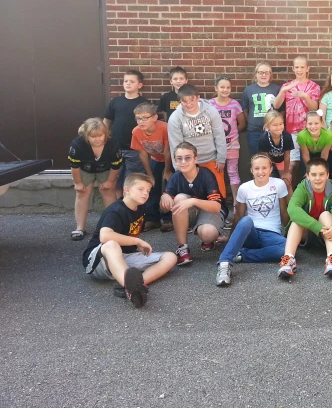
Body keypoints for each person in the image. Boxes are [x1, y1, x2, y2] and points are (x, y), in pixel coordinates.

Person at [82, 173, 177, 308]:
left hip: (123, 259)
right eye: (140, 189)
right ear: (126, 190)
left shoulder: (141, 207)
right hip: (100, 261)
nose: (145, 194)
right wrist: (137, 242)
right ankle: (130, 286)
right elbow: (105, 236)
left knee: (170, 257)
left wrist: (135, 244)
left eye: (148, 191)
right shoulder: (116, 210)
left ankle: (135, 286)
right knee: (111, 244)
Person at [215, 154, 289, 287]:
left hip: (272, 234)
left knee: (287, 249)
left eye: (264, 168)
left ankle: (242, 255)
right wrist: (230, 238)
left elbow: (284, 213)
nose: (261, 172)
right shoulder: (244, 188)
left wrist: (291, 235)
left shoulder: (279, 184)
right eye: (257, 168)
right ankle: (225, 263)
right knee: (246, 220)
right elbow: (238, 217)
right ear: (251, 170)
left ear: (271, 169)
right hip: (251, 233)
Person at [160, 142, 228, 265]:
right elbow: (165, 209)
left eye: (188, 158)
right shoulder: (176, 177)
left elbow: (217, 206)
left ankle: (208, 238)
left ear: (195, 159)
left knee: (208, 234)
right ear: (175, 161)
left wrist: (193, 200)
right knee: (179, 198)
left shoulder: (205, 174)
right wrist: (164, 199)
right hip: (192, 212)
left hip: (211, 210)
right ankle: (183, 247)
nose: (183, 162)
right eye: (179, 159)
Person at [278, 158, 332, 279]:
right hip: (305, 233)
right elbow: (292, 210)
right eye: (313, 175)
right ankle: (288, 259)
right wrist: (317, 227)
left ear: (327, 175)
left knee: (326, 214)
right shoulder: (302, 188)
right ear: (307, 176)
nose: (318, 178)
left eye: (321, 174)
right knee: (297, 220)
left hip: (326, 235)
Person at [167, 84, 228, 198]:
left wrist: (221, 158)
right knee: (194, 194)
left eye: (192, 100)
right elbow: (176, 145)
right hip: (189, 162)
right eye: (184, 101)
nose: (189, 104)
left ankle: (218, 214)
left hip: (212, 159)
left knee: (217, 194)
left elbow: (219, 135)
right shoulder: (175, 118)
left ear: (198, 97)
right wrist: (178, 166)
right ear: (179, 101)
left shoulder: (211, 111)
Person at [68, 118, 123, 240]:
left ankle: (112, 226)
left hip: (106, 169)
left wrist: (110, 181)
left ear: (105, 134)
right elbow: (74, 166)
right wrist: (78, 183)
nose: (97, 139)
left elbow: (116, 166)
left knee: (108, 192)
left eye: (100, 136)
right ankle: (80, 228)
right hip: (84, 169)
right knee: (82, 193)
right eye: (93, 137)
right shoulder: (77, 144)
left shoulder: (113, 144)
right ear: (86, 136)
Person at [272, 56, 321, 174]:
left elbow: (314, 108)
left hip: (309, 129)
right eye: (297, 67)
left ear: (307, 68)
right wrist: (283, 91)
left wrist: (305, 96)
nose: (299, 70)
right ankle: (291, 191)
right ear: (293, 69)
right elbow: (276, 105)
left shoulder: (314, 86)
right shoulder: (287, 86)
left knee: (308, 164)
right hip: (291, 129)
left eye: (302, 67)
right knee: (292, 165)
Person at [103, 69, 148, 196]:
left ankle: (130, 206)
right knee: (116, 180)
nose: (128, 83)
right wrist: (106, 140)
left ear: (139, 85)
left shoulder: (144, 103)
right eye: (126, 81)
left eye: (132, 81)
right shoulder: (115, 102)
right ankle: (119, 205)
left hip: (135, 149)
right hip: (116, 148)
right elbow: (107, 121)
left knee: (132, 181)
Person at [130, 102, 172, 232]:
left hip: (169, 160)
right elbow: (142, 154)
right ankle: (152, 219)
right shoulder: (136, 132)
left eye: (145, 118)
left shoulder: (165, 128)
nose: (141, 121)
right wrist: (150, 175)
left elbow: (168, 151)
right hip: (155, 159)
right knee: (151, 186)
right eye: (138, 118)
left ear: (154, 118)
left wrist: (167, 170)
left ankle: (168, 219)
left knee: (167, 187)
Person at [209, 76, 246, 203]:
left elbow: (241, 123)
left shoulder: (235, 104)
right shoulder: (210, 104)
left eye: (228, 87)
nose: (225, 90)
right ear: (216, 88)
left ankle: (237, 202)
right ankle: (216, 200)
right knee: (215, 174)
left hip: (232, 145)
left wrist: (233, 135)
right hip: (214, 147)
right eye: (222, 87)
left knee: (233, 173)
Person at [242, 61, 282, 158]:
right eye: (260, 72)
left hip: (272, 131)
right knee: (256, 157)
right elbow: (245, 110)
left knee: (272, 157)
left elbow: (282, 110)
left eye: (266, 72)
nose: (263, 75)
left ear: (270, 74)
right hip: (254, 131)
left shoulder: (277, 89)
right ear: (256, 74)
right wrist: (252, 122)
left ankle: (272, 174)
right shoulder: (248, 90)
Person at [257, 110, 294, 192]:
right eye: (275, 125)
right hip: (269, 162)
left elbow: (287, 156)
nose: (279, 127)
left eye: (281, 124)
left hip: (282, 161)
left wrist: (286, 172)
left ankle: (291, 204)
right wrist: (268, 173)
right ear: (267, 126)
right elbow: (265, 159)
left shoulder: (287, 136)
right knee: (269, 183)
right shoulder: (264, 139)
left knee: (287, 182)